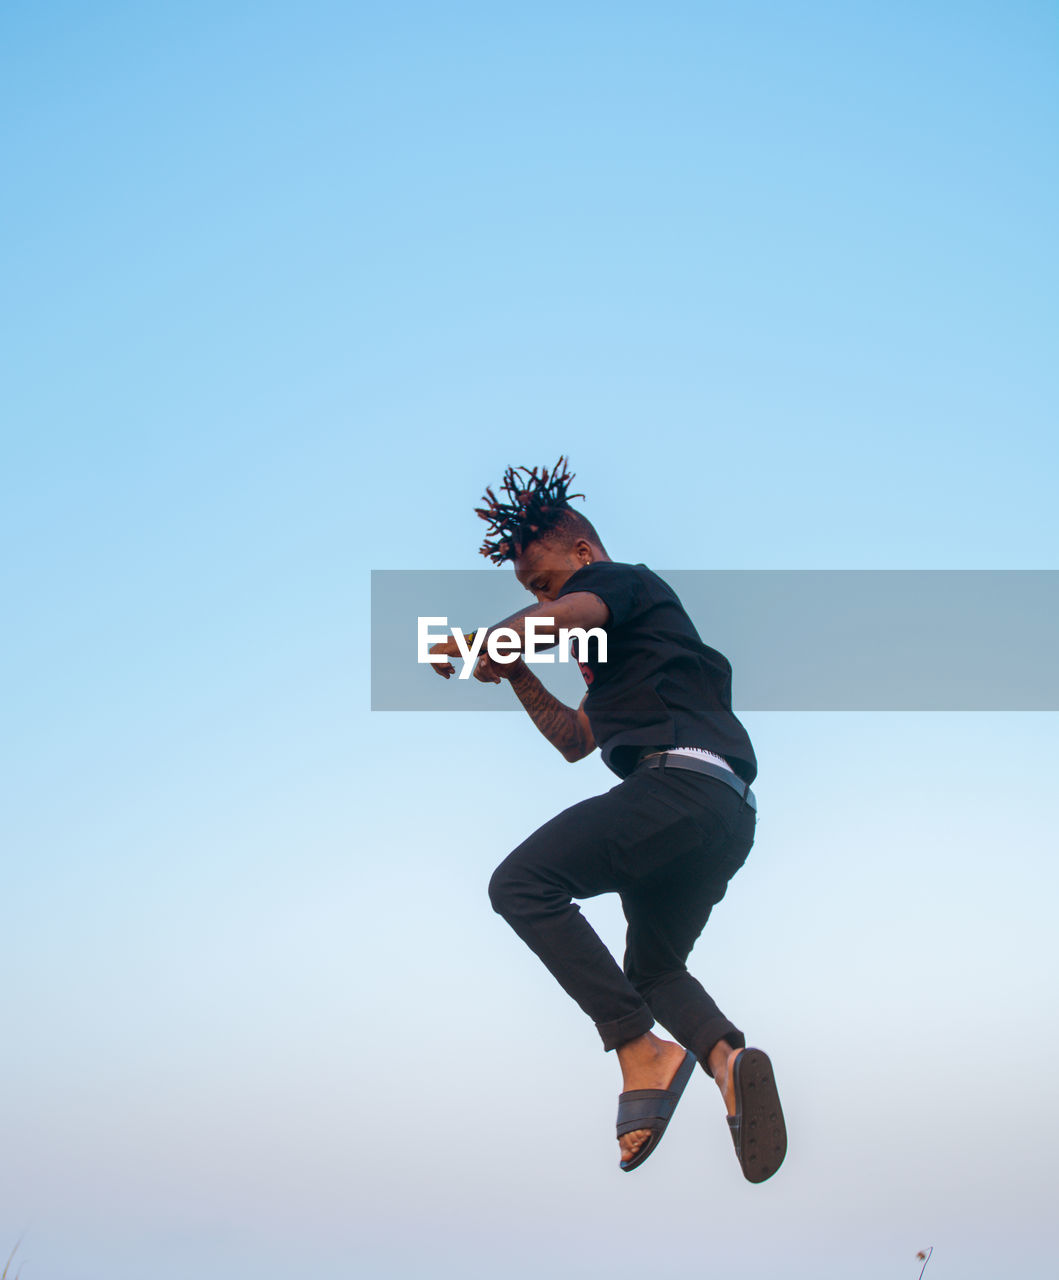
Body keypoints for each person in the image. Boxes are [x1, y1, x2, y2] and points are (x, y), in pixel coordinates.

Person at [429, 458, 786, 1180]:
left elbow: (569, 614)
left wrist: (493, 641)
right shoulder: (630, 652)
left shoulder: (619, 582)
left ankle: (640, 1051)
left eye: (542, 581)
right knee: (652, 969)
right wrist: (518, 672)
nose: (542, 596)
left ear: (583, 554)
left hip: (677, 789)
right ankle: (727, 1063)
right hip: (721, 814)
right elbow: (574, 741)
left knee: (522, 884)